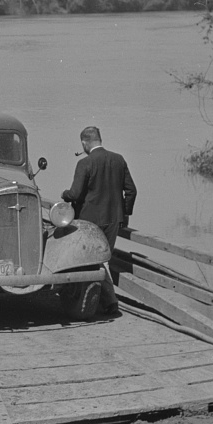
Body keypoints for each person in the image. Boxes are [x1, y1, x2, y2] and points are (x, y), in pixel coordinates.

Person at [61, 126, 137, 315]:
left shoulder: (84, 163)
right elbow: (131, 191)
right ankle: (106, 301)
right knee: (103, 258)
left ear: (84, 143)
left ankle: (109, 302)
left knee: (93, 261)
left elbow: (75, 193)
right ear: (99, 139)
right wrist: (125, 214)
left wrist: (65, 194)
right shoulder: (118, 159)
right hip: (113, 220)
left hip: (90, 221)